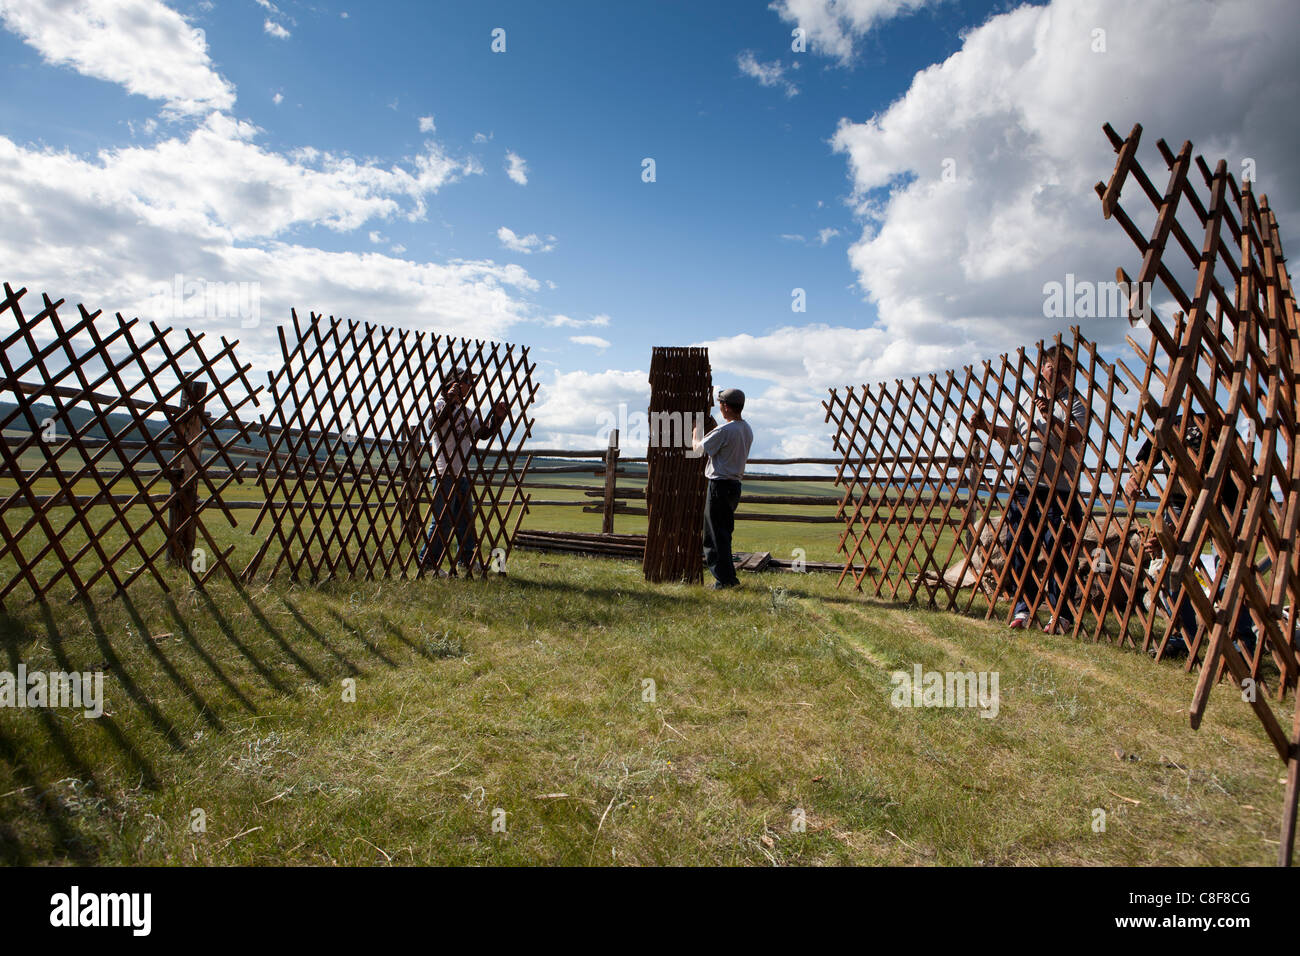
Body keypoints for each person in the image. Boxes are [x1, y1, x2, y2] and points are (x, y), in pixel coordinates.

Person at [971, 345, 1087, 633]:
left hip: (1059, 489)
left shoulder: (1075, 403)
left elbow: (1074, 436)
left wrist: (1053, 418)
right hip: (1025, 487)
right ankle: (1024, 608)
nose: (1058, 373)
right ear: (1042, 368)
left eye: (1064, 369)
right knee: (1018, 546)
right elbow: (1013, 436)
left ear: (1071, 374)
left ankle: (1060, 614)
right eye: (1053, 366)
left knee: (1056, 548)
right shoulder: (1026, 400)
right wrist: (987, 427)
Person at [1124, 414, 1255, 659]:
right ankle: (1184, 638)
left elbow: (1236, 466)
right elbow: (1145, 461)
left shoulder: (1213, 423)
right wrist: (1133, 480)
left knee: (1226, 567)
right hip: (1179, 502)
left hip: (1222, 501)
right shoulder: (1166, 424)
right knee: (1171, 564)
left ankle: (1243, 642)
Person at [420, 367, 509, 574]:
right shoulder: (440, 405)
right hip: (443, 472)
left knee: (466, 521)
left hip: (461, 473)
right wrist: (450, 400)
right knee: (442, 520)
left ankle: (466, 561)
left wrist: (497, 418)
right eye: (465, 380)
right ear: (453, 383)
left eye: (470, 381)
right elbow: (435, 424)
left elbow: (483, 433)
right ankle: (427, 563)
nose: (469, 385)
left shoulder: (467, 413)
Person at [691, 387, 753, 590]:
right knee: (724, 533)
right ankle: (728, 578)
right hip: (734, 486)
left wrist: (695, 430)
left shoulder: (725, 430)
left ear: (726, 406)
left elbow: (698, 449)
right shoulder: (746, 429)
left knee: (714, 535)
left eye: (720, 404)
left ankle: (724, 581)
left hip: (719, 485)